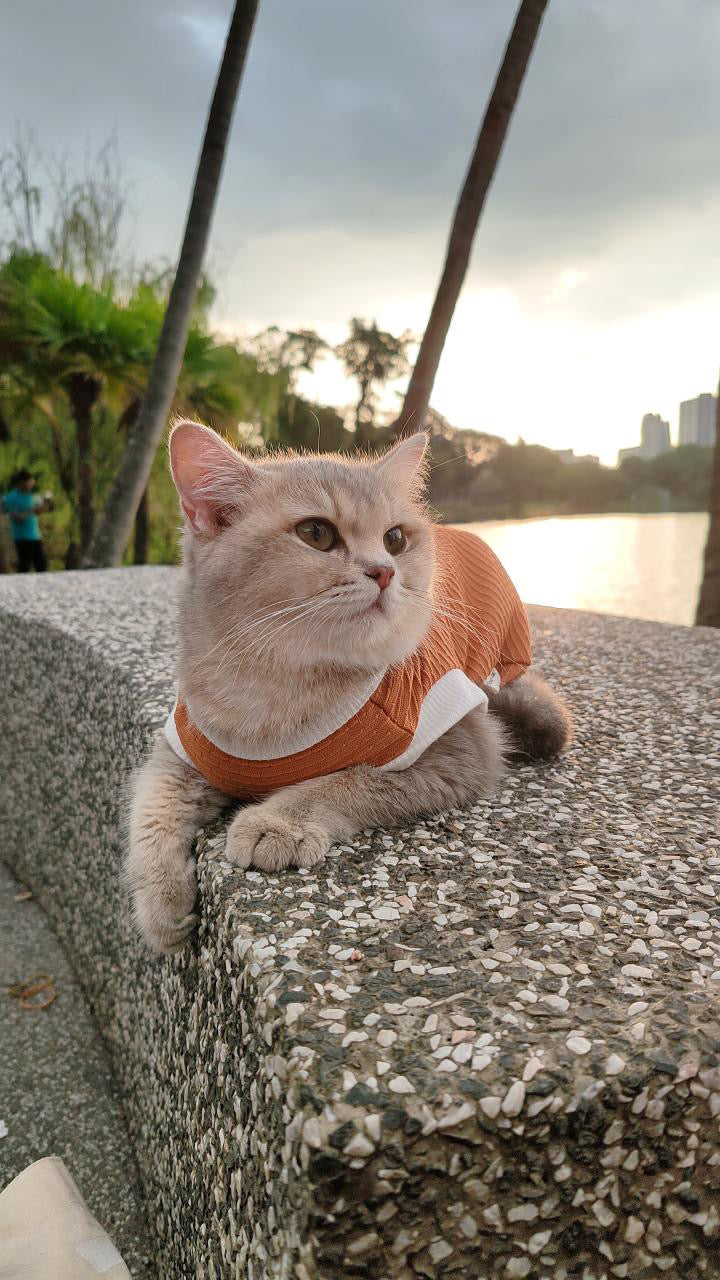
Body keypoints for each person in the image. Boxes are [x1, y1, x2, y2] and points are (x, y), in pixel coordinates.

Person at [1, 470, 53, 572]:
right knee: (25, 565)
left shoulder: (33, 496)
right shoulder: (12, 498)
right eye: (29, 482)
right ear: (21, 483)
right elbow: (16, 517)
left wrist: (47, 503)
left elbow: (40, 510)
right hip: (21, 537)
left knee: (42, 565)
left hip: (35, 535)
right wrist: (33, 510)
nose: (31, 485)